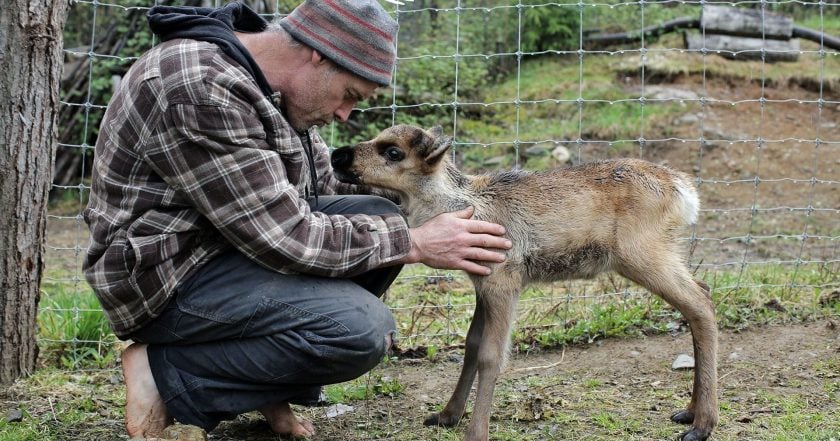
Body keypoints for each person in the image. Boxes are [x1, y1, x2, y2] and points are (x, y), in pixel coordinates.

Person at [83, 0, 512, 438]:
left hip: (219, 247)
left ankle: (265, 392)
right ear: (318, 55)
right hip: (164, 277)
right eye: (348, 95)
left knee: (380, 214)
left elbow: (323, 183)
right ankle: (164, 371)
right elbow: (288, 236)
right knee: (357, 330)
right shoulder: (202, 88)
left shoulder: (267, 85)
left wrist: (435, 193)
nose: (345, 114)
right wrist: (416, 243)